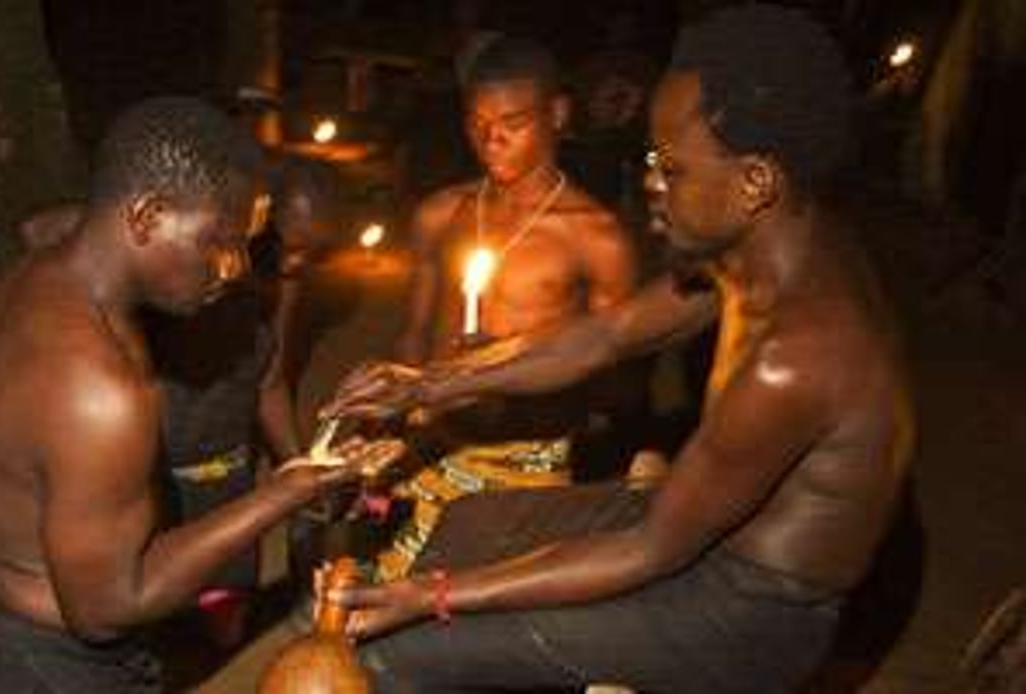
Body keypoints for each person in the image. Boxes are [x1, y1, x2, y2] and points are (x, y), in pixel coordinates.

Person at [324, 6, 916, 692]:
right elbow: (603, 336)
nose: (650, 182)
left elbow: (651, 547)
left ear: (754, 182)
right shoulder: (764, 245)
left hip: (743, 610)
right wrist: (427, 386)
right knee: (465, 522)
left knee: (397, 653)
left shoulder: (802, 349)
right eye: (648, 157)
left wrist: (434, 597)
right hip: (699, 529)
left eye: (672, 166)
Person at [0, 97, 401, 693]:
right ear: (145, 216)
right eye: (220, 241)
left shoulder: (37, 273)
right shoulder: (98, 391)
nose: (233, 268)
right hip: (41, 668)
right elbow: (105, 607)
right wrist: (283, 493)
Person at [374, 35, 641, 581]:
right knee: (384, 602)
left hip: (529, 459)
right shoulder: (440, 214)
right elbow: (413, 336)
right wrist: (390, 431)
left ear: (558, 115)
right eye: (476, 122)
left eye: (513, 122)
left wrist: (515, 364)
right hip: (437, 440)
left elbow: (620, 378)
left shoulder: (596, 238)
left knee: (486, 619)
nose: (491, 139)